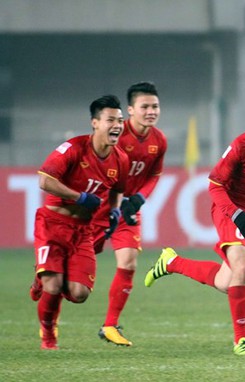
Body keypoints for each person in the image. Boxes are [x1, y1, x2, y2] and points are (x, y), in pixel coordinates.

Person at [143, 94, 245, 356]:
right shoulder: (243, 146)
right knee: (243, 268)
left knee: (227, 281)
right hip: (230, 210)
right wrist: (236, 214)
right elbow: (215, 184)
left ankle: (171, 262)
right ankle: (241, 340)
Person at [29, 95, 129, 350]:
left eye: (120, 120)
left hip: (82, 231)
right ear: (95, 123)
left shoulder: (121, 160)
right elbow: (44, 180)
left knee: (79, 293)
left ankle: (48, 275)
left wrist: (115, 212)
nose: (117, 125)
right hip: (52, 224)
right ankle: (49, 336)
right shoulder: (72, 148)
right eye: (110, 120)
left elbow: (117, 190)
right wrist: (80, 197)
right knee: (52, 286)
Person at [92, 82, 167, 346]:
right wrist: (116, 200)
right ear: (131, 109)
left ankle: (110, 325)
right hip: (99, 208)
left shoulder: (159, 140)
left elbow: (154, 174)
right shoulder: (115, 135)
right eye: (145, 106)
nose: (151, 111)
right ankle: (44, 283)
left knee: (129, 263)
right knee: (72, 271)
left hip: (128, 211)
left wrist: (140, 198)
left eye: (155, 106)